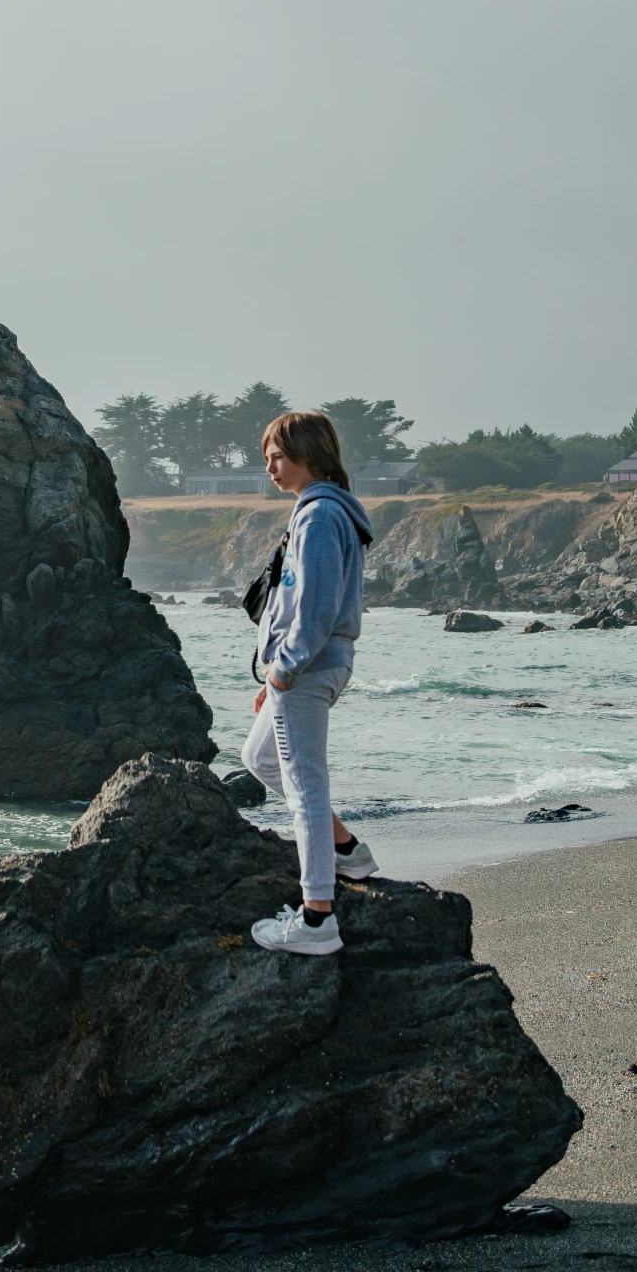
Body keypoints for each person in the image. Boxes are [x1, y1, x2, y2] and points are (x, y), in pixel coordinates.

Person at [241, 409, 377, 956]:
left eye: (276, 455)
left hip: (309, 667)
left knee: (304, 789)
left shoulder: (319, 517)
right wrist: (274, 673)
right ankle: (347, 851)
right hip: (303, 669)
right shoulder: (316, 513)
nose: (270, 467)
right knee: (261, 759)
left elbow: (315, 611)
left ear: (307, 455)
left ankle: (318, 921)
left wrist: (285, 667)